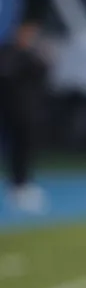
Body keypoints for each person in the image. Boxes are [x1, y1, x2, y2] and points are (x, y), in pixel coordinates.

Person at [0, 14, 48, 213]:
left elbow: (43, 74)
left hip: (26, 110)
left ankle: (21, 184)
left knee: (24, 148)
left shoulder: (33, 54)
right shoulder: (8, 52)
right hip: (8, 108)